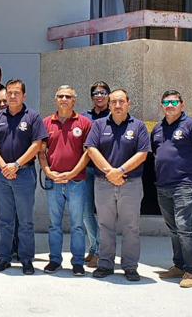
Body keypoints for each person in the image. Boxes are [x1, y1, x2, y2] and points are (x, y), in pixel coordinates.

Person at [85, 89, 150, 282]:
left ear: (128, 103)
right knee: (105, 226)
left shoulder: (138, 126)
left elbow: (143, 153)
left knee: (131, 227)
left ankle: (130, 266)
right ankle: (105, 263)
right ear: (109, 104)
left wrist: (119, 171)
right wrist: (110, 172)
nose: (117, 105)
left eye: (121, 101)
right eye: (113, 102)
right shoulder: (98, 124)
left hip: (131, 184)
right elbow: (91, 149)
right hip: (103, 184)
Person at [0, 78, 48, 275]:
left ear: (24, 95)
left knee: (25, 220)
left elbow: (37, 145)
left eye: (17, 93)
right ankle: (4, 257)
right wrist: (4, 166)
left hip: (24, 174)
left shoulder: (33, 117)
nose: (12, 96)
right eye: (9, 92)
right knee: (4, 220)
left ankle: (26, 258)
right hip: (3, 175)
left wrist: (17, 164)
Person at [151, 90, 192, 288]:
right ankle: (178, 266)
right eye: (166, 101)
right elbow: (156, 152)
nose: (170, 105)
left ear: (182, 104)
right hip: (162, 185)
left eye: (174, 101)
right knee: (173, 228)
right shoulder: (157, 128)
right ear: (161, 105)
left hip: (183, 185)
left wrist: (191, 172)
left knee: (184, 227)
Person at [38, 85, 92, 276]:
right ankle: (55, 260)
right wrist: (48, 172)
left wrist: (71, 173)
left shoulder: (84, 123)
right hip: (53, 181)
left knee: (77, 224)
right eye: (60, 96)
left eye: (67, 96)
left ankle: (77, 262)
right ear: (55, 99)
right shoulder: (46, 122)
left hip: (76, 181)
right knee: (54, 224)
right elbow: (41, 152)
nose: (64, 99)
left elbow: (88, 153)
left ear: (74, 100)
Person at [80, 81, 111, 268]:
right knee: (85, 212)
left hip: (106, 171)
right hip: (86, 169)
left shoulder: (114, 114)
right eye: (95, 92)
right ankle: (94, 247)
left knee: (104, 214)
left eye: (103, 92)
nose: (99, 95)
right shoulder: (84, 117)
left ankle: (102, 251)